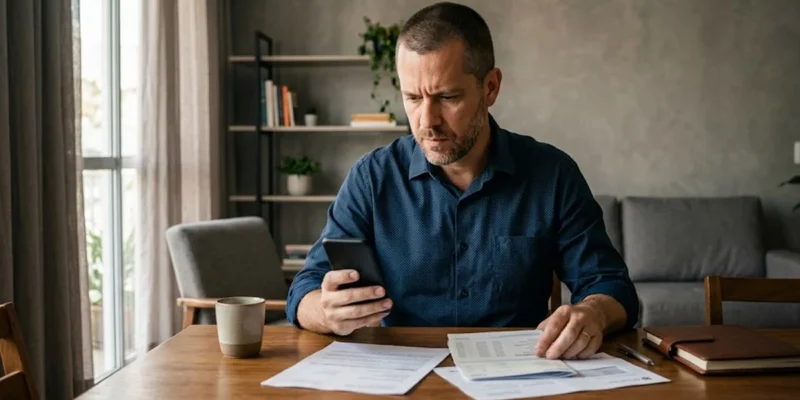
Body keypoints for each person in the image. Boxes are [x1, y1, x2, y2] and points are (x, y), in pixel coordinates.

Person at [285, 2, 639, 360]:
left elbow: (611, 286)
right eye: (412, 98)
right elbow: (304, 290)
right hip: (401, 376)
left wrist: (592, 313)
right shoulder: (372, 178)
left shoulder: (553, 175)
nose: (427, 121)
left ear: (490, 87)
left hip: (519, 377)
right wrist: (324, 310)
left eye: (447, 97)